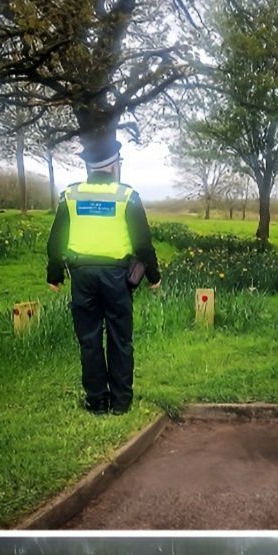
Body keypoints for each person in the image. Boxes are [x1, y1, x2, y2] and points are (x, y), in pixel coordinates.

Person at [47, 133, 161, 416]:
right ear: (114, 165)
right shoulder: (127, 196)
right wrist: (154, 276)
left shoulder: (70, 195)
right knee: (120, 338)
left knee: (89, 338)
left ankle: (96, 401)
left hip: (82, 276)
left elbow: (56, 240)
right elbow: (143, 243)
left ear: (90, 167)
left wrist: (54, 274)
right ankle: (121, 402)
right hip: (117, 278)